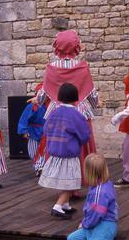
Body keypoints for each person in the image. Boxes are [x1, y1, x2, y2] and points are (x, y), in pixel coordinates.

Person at [37, 30, 98, 176]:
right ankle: (81, 178)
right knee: (81, 145)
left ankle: (61, 181)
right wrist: (95, 104)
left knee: (59, 146)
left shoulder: (52, 68)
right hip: (80, 112)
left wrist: (42, 101)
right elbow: (92, 94)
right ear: (76, 45)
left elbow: (41, 97)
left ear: (57, 46)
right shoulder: (82, 67)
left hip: (57, 113)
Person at [38, 83, 91, 220]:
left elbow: (45, 130)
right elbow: (84, 135)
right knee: (70, 182)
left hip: (55, 153)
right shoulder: (76, 115)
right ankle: (57, 206)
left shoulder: (53, 112)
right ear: (75, 99)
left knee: (64, 180)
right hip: (69, 154)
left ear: (60, 97)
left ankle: (65, 205)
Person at [67, 153, 118, 240]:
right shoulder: (99, 185)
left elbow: (97, 214)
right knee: (72, 238)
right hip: (94, 222)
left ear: (88, 172)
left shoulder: (100, 192)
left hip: (105, 224)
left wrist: (85, 224)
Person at [17, 83, 46, 176]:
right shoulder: (31, 106)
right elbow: (24, 118)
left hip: (45, 131)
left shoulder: (48, 105)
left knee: (44, 149)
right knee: (32, 150)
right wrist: (24, 130)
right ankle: (38, 166)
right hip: (33, 130)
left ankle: (40, 167)